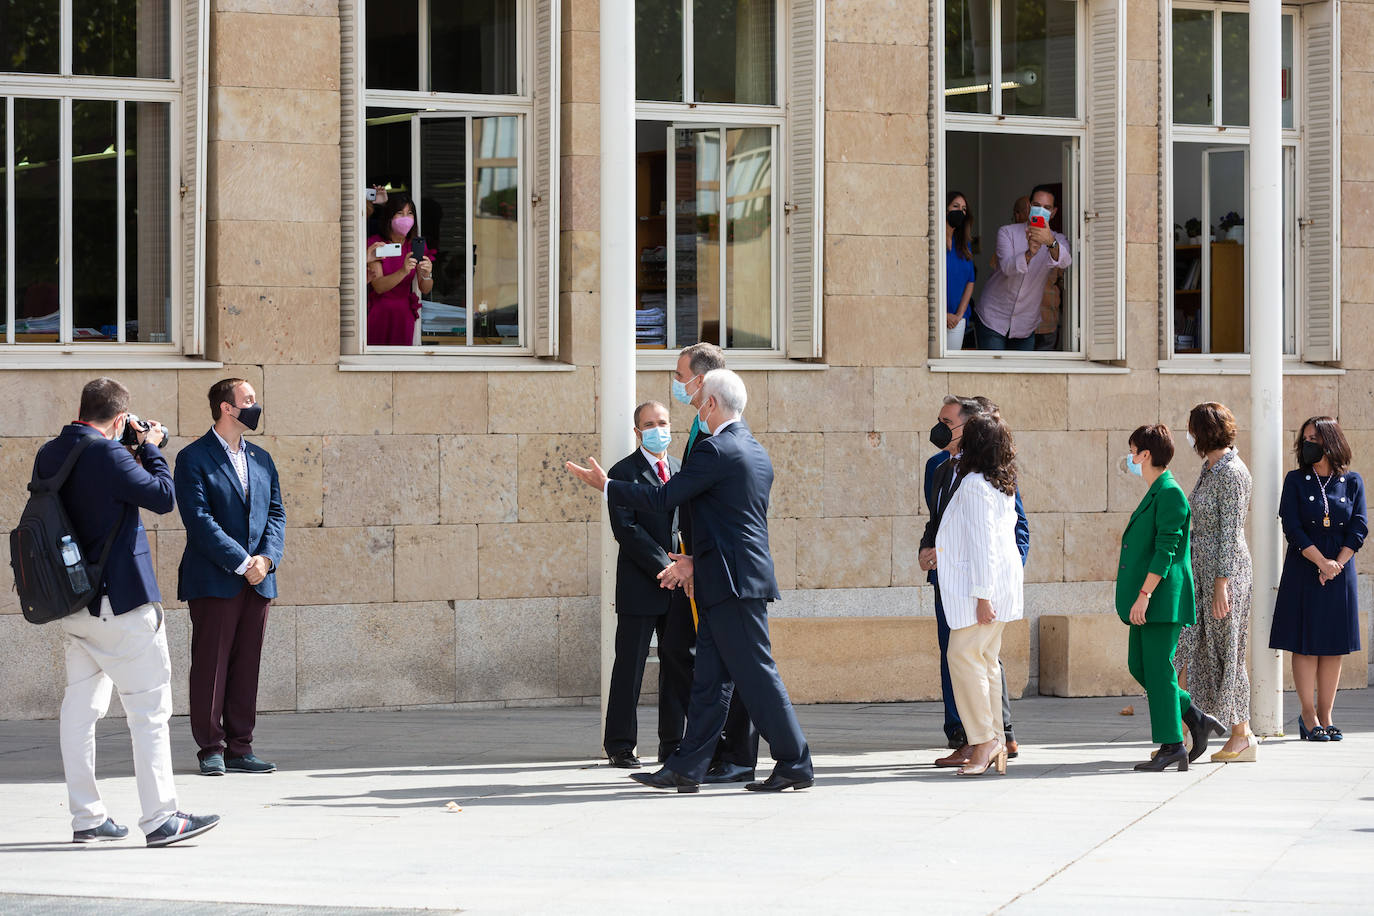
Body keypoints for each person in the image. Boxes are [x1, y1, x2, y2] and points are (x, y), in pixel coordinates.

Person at [567, 369, 814, 793]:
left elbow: (665, 498)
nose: (696, 410)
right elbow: (731, 522)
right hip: (726, 577)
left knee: (756, 674)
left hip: (732, 582)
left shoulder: (716, 450)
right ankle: (687, 766)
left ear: (713, 405)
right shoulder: (753, 448)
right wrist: (696, 561)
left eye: (699, 401)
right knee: (710, 681)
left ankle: (794, 760)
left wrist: (608, 486)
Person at [34, 377, 219, 847]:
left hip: (73, 603)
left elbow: (98, 499)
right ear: (119, 419)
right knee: (150, 712)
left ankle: (87, 818)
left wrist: (129, 451)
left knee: (80, 710)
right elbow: (161, 497)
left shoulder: (52, 452)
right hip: (120, 603)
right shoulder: (110, 454)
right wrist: (152, 447)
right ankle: (161, 818)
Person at [175, 378, 286, 776]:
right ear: (226, 407)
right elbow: (199, 520)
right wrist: (242, 562)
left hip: (258, 581)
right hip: (215, 578)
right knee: (211, 664)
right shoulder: (193, 458)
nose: (255, 405)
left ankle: (241, 747)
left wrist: (267, 561)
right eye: (249, 400)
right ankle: (211, 748)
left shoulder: (262, 458)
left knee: (246, 665)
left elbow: (276, 514)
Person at [667, 342, 761, 784]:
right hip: (701, 558)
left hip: (721, 567)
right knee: (707, 663)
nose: (677, 382)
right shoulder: (701, 423)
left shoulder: (720, 426)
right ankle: (699, 756)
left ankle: (739, 753)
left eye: (681, 374)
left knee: (739, 665)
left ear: (702, 382)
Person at [920, 396, 1028, 765]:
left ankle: (983, 740)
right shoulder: (994, 480)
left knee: (963, 657)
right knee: (983, 660)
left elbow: (985, 546)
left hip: (979, 591)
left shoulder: (975, 485)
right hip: (982, 588)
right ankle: (993, 738)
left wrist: (983, 596)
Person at [1116, 425, 1226, 772]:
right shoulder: (1157, 491)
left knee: (1160, 669)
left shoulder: (1170, 493)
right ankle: (1194, 715)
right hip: (1147, 599)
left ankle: (1172, 745)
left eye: (1133, 451)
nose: (1131, 458)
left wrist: (1145, 594)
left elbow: (1167, 549)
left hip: (1161, 599)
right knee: (1140, 666)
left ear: (1145, 455)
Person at [602, 401, 695, 768]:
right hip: (643, 585)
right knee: (630, 666)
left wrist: (684, 570)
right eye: (650, 424)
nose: (659, 429)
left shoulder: (679, 469)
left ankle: (672, 744)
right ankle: (621, 746)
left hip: (679, 587)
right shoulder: (621, 472)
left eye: (664, 422)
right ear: (638, 431)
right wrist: (664, 569)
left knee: (676, 666)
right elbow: (626, 529)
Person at [1270, 416, 1366, 742]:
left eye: (1315, 437)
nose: (1308, 443)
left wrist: (1336, 564)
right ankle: (1308, 716)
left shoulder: (1352, 481)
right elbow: (1291, 525)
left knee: (1333, 646)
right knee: (1306, 645)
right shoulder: (1296, 480)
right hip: (1304, 568)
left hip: (1340, 572)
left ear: (1331, 441)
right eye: (1305, 438)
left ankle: (1326, 715)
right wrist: (1320, 562)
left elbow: (1359, 527)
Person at [1175, 403, 1256, 762]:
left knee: (1229, 653)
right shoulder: (1210, 468)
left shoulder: (1232, 472)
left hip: (1227, 574)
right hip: (1202, 573)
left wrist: (1222, 583)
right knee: (1193, 651)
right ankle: (1188, 733)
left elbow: (1230, 531)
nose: (1189, 435)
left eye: (1192, 428)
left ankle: (1242, 734)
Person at [973, 184, 1072, 350]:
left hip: (1025, 326)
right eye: (1037, 206)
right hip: (993, 318)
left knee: (1020, 375)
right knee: (993, 374)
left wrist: (1050, 242)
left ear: (1053, 212)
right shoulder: (1007, 232)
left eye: (1047, 208)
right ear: (1029, 206)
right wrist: (1029, 254)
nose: (1042, 211)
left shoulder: (1058, 239)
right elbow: (1006, 268)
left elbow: (1064, 261)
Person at [366, 195, 434, 345]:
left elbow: (425, 288)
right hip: (380, 312)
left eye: (410, 213)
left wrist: (427, 274)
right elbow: (378, 286)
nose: (406, 218)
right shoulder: (376, 245)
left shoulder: (415, 245)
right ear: (390, 217)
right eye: (400, 213)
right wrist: (403, 271)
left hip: (404, 314)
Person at [945, 191, 976, 352]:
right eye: (955, 206)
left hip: (958, 319)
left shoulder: (964, 244)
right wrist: (942, 314)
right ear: (945, 209)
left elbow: (970, 280)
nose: (960, 212)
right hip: (934, 318)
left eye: (964, 209)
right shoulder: (933, 242)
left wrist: (959, 315)